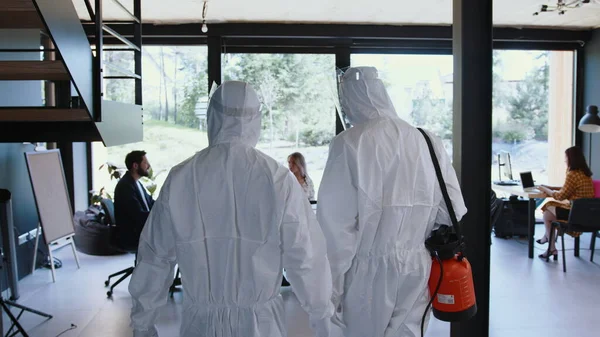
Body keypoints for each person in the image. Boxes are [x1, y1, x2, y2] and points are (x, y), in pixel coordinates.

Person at [128, 81, 334, 337]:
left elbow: (155, 257)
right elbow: (305, 257)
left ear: (212, 116)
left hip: (200, 324)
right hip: (261, 324)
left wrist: (143, 322)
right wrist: (321, 315)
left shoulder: (182, 177)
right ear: (256, 120)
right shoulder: (277, 178)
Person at [317, 67, 467, 337]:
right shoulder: (426, 139)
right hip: (418, 265)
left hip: (367, 271)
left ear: (350, 100)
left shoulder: (349, 143)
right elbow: (453, 209)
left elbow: (336, 231)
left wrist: (330, 291)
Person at [537, 146, 594, 259]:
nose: (565, 160)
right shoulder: (585, 174)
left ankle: (550, 244)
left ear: (571, 159)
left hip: (575, 215)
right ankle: (550, 245)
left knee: (547, 211)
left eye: (566, 157)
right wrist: (550, 187)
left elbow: (560, 196)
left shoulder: (572, 174)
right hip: (587, 216)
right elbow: (568, 188)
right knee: (548, 213)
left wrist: (544, 189)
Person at [113, 150, 155, 251]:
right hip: (133, 234)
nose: (148, 166)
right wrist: (159, 216)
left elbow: (150, 202)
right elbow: (137, 214)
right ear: (135, 166)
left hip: (140, 229)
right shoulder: (125, 186)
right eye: (145, 163)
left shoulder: (135, 183)